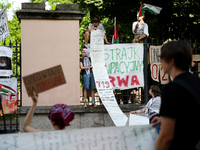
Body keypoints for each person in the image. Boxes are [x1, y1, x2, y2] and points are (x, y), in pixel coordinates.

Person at [152, 40, 200, 150]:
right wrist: (164, 119)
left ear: (172, 61)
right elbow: (190, 116)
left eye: (162, 58)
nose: (161, 62)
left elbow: (166, 137)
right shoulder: (197, 82)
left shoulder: (171, 89)